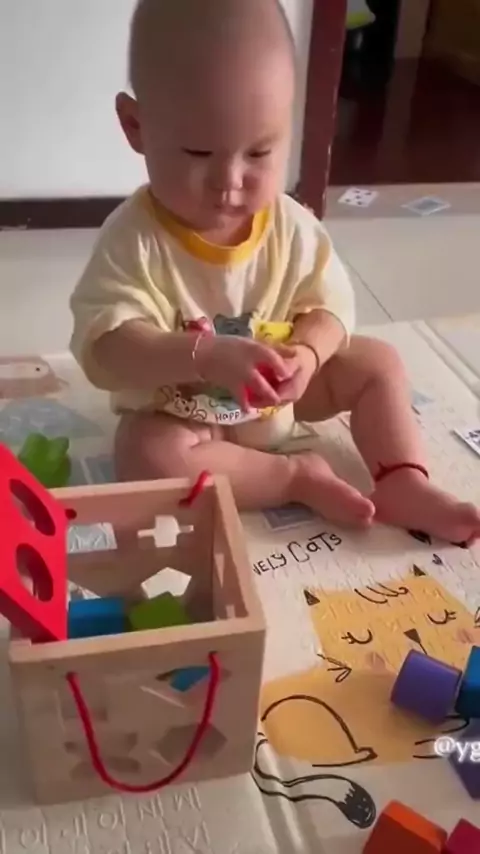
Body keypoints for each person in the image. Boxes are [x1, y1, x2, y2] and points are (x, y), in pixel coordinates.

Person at [70, 0, 480, 543]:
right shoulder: (133, 240)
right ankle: (292, 477)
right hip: (185, 410)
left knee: (378, 362)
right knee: (145, 454)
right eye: (197, 151)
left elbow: (330, 307)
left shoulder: (291, 225)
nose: (229, 180)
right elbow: (107, 346)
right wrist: (205, 356)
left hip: (283, 395)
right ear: (136, 126)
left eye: (260, 152)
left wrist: (308, 354)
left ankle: (403, 478)